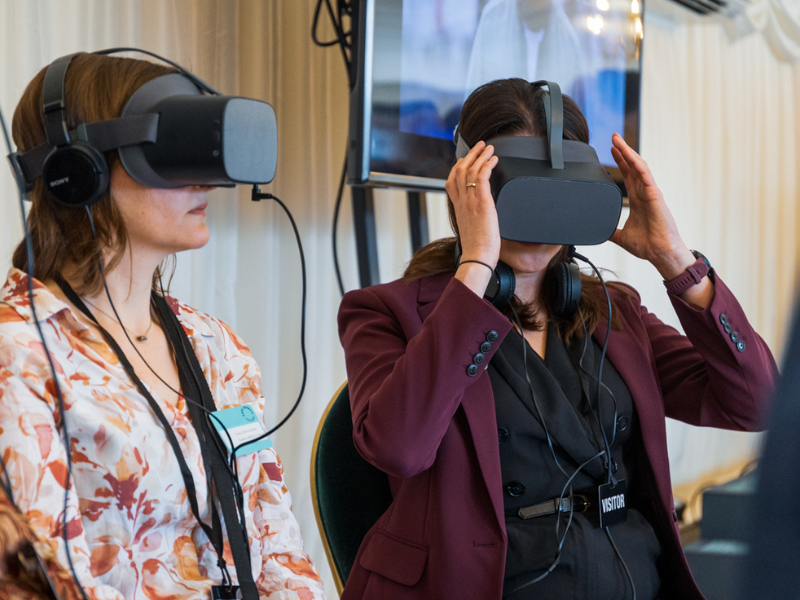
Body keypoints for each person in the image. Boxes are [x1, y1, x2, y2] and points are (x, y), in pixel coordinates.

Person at [337, 78, 778, 600]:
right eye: (518, 193)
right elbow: (399, 448)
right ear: (468, 190)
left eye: (556, 194)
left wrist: (675, 259)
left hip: (632, 578)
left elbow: (757, 405)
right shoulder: (388, 312)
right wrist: (476, 267)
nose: (538, 222)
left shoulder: (612, 312)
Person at [0, 53, 325, 600]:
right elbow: (50, 584)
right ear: (79, 170)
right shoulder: (20, 354)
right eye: (171, 153)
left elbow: (277, 545)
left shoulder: (217, 347)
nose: (208, 182)